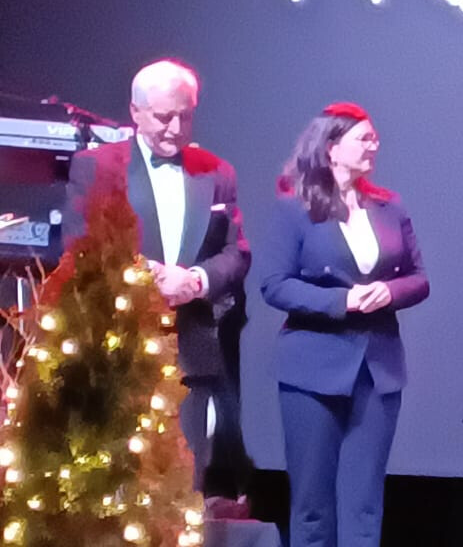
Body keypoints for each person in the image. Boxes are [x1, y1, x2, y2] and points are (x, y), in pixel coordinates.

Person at [63, 59, 255, 509]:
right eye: (164, 117)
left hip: (192, 351)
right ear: (136, 112)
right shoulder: (96, 167)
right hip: (119, 348)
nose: (176, 128)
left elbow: (237, 252)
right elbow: (78, 247)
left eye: (185, 116)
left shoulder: (216, 171)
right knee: (118, 489)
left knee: (184, 489)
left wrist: (196, 279)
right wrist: (142, 276)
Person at [258, 102, 430, 547]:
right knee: (313, 504)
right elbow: (274, 285)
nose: (374, 145)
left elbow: (419, 279)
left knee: (364, 502)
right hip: (312, 371)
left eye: (375, 138)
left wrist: (389, 292)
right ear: (332, 147)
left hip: (376, 370)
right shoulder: (295, 207)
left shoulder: (389, 206)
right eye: (364, 138)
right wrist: (343, 300)